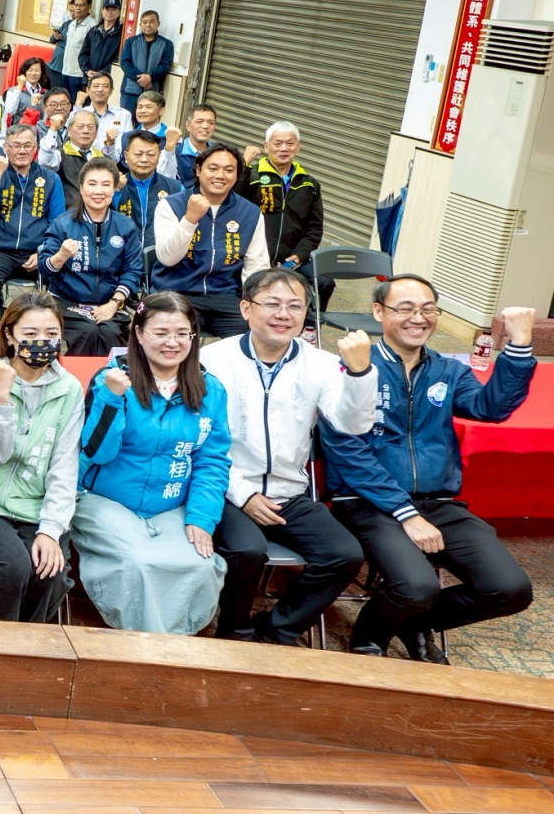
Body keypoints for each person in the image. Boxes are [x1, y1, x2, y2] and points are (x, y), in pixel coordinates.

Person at [321, 281, 538, 662]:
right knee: (416, 585)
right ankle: (369, 635)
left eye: (428, 309)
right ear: (378, 312)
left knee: (510, 589)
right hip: (368, 501)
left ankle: (411, 622)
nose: (418, 318)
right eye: (405, 308)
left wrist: (519, 347)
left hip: (438, 502)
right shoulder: (352, 367)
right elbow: (346, 451)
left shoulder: (448, 370)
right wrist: (406, 513)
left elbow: (491, 408)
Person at [200, 270, 375, 645]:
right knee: (247, 549)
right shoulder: (212, 359)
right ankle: (234, 631)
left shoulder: (321, 364)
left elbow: (352, 425)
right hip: (226, 488)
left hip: (288, 493)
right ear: (246, 309)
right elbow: (198, 440)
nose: (283, 314)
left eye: (295, 306)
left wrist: (360, 373)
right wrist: (243, 495)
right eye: (272, 304)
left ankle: (277, 629)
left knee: (344, 554)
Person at [73, 292, 232, 635]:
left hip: (170, 503)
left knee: (200, 565)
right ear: (139, 333)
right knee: (138, 563)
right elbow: (96, 453)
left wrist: (202, 517)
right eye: (161, 333)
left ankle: (166, 647)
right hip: (105, 499)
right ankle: (153, 651)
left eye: (182, 333)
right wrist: (111, 399)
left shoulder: (211, 389)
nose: (172, 343)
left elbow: (212, 460)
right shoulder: (112, 380)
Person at [0, 293, 80, 623]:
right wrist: (1, 396)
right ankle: (2, 643)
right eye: (30, 334)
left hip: (33, 504)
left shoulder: (69, 389)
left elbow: (65, 464)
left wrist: (51, 530)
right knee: (13, 565)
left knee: (50, 570)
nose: (42, 342)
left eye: (51, 334)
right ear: (10, 335)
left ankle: (30, 640)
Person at [151, 142, 268, 339]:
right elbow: (167, 258)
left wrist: (254, 302)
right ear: (198, 170)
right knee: (175, 339)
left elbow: (257, 265)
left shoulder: (250, 212)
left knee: (257, 337)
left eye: (229, 170)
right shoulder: (171, 205)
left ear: (237, 175)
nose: (220, 175)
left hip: (227, 296)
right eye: (213, 168)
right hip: (178, 292)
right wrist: (190, 219)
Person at [38, 156, 141, 356]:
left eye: (106, 185)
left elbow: (133, 270)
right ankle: (77, 376)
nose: (98, 191)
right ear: (81, 187)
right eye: (92, 184)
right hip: (67, 302)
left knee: (110, 332)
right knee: (88, 331)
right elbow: (44, 268)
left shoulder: (125, 226)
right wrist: (60, 256)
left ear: (114, 189)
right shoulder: (63, 224)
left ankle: (111, 376)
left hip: (110, 303)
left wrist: (115, 303)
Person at [248, 121, 330, 315]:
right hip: (256, 256)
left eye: (290, 143)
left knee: (324, 283)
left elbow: (314, 228)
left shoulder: (309, 184)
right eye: (277, 143)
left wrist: (298, 257)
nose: (284, 148)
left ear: (298, 146)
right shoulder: (252, 177)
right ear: (266, 146)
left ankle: (308, 326)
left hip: (292, 259)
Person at [0, 125, 65, 311]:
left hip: (39, 250)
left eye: (28, 145)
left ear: (35, 148)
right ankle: (0, 320)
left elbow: (58, 222)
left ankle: (48, 323)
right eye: (16, 145)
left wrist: (44, 251)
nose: (22, 151)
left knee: (63, 279)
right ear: (5, 147)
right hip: (1, 250)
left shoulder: (51, 178)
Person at [113, 130, 181, 263]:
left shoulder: (175, 188)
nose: (144, 160)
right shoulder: (114, 186)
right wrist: (115, 192)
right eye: (138, 154)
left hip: (162, 263)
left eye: (151, 154)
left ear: (159, 156)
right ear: (126, 156)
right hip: (121, 261)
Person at [118, 9, 175, 112]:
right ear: (140, 24)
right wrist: (142, 79)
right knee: (126, 119)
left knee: (148, 120)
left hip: (152, 92)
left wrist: (150, 77)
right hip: (130, 91)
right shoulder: (131, 41)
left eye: (152, 21)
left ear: (158, 23)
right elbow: (125, 63)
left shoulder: (166, 44)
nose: (148, 25)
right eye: (144, 22)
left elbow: (165, 65)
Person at [49, 0, 97, 96]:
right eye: (76, 5)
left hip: (79, 74)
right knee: (66, 101)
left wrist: (87, 70)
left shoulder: (92, 26)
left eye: (81, 5)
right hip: (65, 71)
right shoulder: (71, 24)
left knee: (77, 103)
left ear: (89, 6)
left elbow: (93, 52)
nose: (78, 8)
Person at [80, 72, 130, 158]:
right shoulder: (79, 114)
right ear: (88, 90)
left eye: (105, 86)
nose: (100, 89)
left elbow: (128, 147)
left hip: (115, 163)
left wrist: (110, 144)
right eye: (96, 86)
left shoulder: (123, 115)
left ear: (111, 91)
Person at [81, 0, 125, 96]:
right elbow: (83, 54)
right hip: (89, 78)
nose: (110, 12)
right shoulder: (94, 31)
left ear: (119, 12)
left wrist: (102, 73)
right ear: (102, 11)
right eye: (107, 9)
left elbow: (118, 58)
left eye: (114, 10)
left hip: (107, 80)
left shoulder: (122, 33)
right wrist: (87, 70)